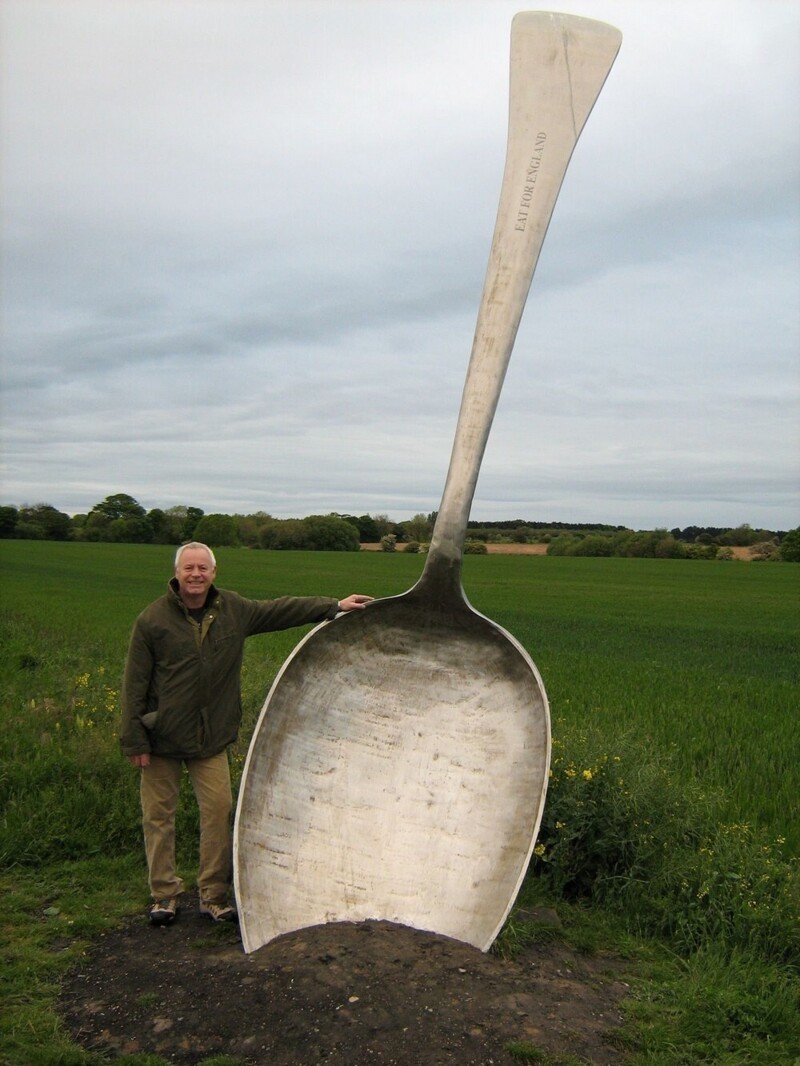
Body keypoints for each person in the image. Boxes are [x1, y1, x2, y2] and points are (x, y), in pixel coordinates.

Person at [120, 541, 373, 926]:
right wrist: (135, 740)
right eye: (189, 568)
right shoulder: (152, 620)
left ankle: (213, 895)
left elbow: (278, 610)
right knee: (158, 817)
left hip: (211, 739)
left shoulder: (233, 610)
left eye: (203, 568)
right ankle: (164, 895)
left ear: (213, 573)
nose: (196, 574)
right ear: (176, 572)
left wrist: (333, 606)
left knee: (219, 813)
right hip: (161, 739)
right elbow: (133, 685)